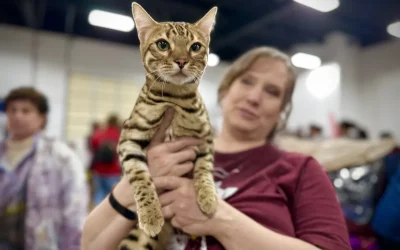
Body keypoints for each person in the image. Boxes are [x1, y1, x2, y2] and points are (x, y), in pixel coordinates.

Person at [81, 47, 351, 250]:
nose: (254, 97)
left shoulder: (299, 169)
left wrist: (220, 218)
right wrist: (138, 181)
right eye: (246, 81)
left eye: (272, 92)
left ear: (282, 111)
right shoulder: (172, 153)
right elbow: (90, 243)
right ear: (225, 90)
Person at [0, 87, 88, 250]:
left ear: (42, 118)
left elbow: (75, 210)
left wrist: (72, 245)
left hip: (40, 242)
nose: (17, 115)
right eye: (12, 110)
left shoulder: (62, 157)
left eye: (26, 111)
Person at [89, 113, 122, 205]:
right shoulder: (118, 135)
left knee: (98, 195)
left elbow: (92, 147)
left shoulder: (99, 133)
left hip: (99, 170)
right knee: (113, 197)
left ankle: (97, 216)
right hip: (113, 172)